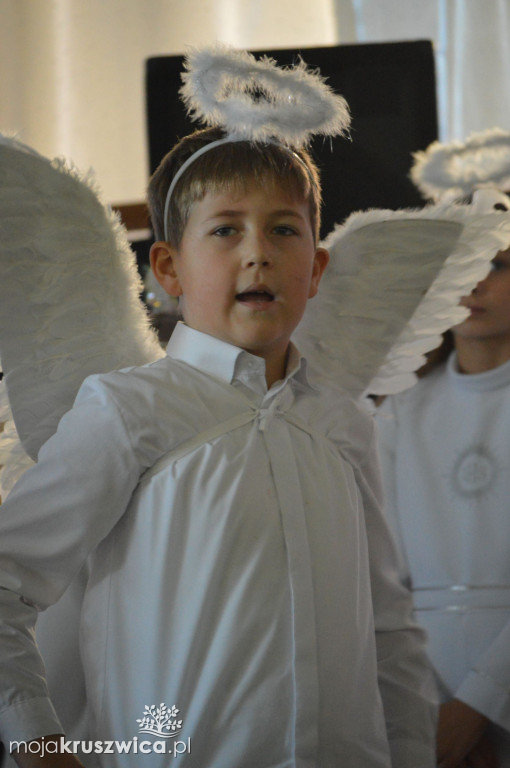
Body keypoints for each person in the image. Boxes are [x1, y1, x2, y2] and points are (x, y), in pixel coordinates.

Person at [0, 57, 437, 767]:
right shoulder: (128, 411)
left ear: (317, 269)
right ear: (169, 269)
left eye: (284, 231)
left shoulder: (342, 424)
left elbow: (387, 629)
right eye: (226, 230)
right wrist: (40, 743)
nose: (257, 255)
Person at [376, 132, 510, 768]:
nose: (476, 282)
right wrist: (430, 708)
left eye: (498, 264)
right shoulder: (402, 409)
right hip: (422, 692)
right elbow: (383, 578)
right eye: (461, 262)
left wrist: (481, 704)